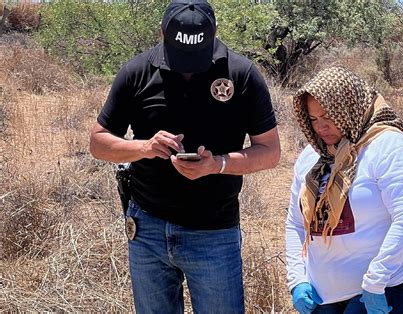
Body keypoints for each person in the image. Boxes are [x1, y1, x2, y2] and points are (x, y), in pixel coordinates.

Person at [89, 0, 280, 312]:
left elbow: (270, 151)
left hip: (214, 232)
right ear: (162, 32)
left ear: (215, 32)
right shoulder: (137, 72)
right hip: (147, 229)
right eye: (181, 57)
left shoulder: (242, 74)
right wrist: (145, 147)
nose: (189, 67)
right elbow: (98, 142)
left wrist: (218, 164)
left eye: (197, 57)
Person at [285, 66, 403, 314]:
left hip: (386, 287)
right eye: (313, 119)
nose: (321, 127)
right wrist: (297, 279)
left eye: (329, 116)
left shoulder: (388, 146)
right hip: (323, 295)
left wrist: (375, 282)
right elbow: (295, 224)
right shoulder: (312, 158)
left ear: (348, 107)